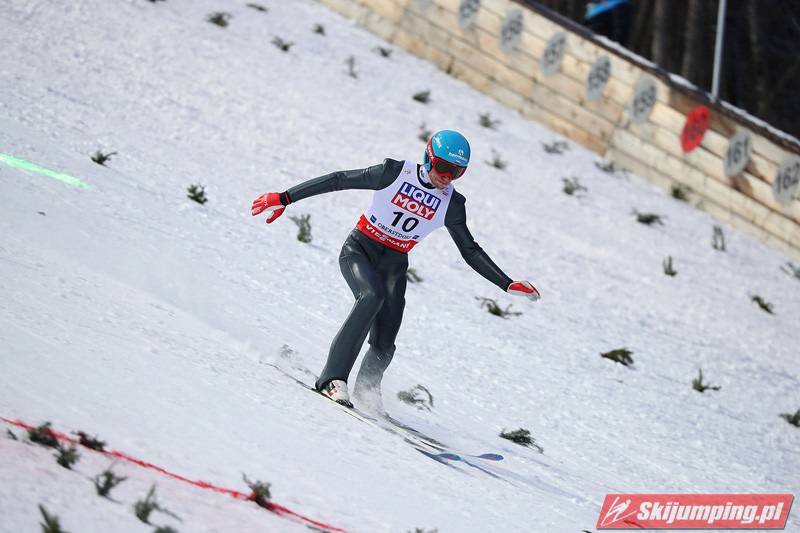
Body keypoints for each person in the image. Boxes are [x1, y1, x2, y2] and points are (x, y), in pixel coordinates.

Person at [251, 130, 540, 410]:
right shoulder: (394, 173)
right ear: (428, 158)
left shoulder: (452, 204)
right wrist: (285, 198)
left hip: (394, 265)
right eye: (442, 167)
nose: (447, 176)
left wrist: (506, 283)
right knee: (371, 296)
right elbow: (339, 180)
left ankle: (366, 391)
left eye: (456, 172)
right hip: (360, 250)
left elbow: (470, 250)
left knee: (386, 341)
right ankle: (331, 379)